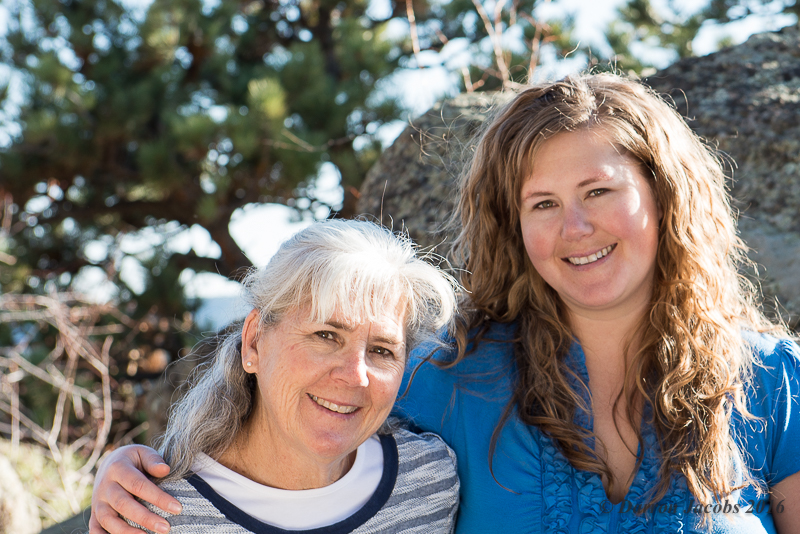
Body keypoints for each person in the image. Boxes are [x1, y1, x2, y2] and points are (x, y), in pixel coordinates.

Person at [90, 74, 800, 534]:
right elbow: (294, 420)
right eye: (542, 203)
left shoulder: (776, 380)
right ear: (514, 225)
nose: (574, 229)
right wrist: (135, 469)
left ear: (663, 196)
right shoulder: (452, 375)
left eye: (599, 192)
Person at [94, 219, 460, 534]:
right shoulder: (152, 515)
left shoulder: (429, 483)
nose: (355, 376)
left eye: (382, 350)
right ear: (254, 341)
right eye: (326, 336)